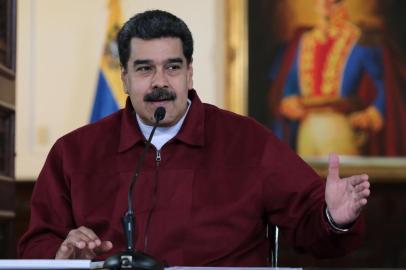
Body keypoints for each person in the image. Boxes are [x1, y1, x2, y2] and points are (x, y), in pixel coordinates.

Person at [18, 10, 370, 266]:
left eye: (172, 67)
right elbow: (36, 245)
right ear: (124, 77)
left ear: (189, 73)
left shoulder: (247, 141)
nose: (160, 81)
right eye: (144, 68)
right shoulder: (74, 152)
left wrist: (335, 217)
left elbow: (314, 228)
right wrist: (61, 254)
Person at [271, 0, 385, 156]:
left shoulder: (358, 39)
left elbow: (384, 84)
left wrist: (373, 112)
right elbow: (290, 85)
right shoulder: (305, 41)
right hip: (306, 126)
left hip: (338, 125)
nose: (325, 3)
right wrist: (288, 101)